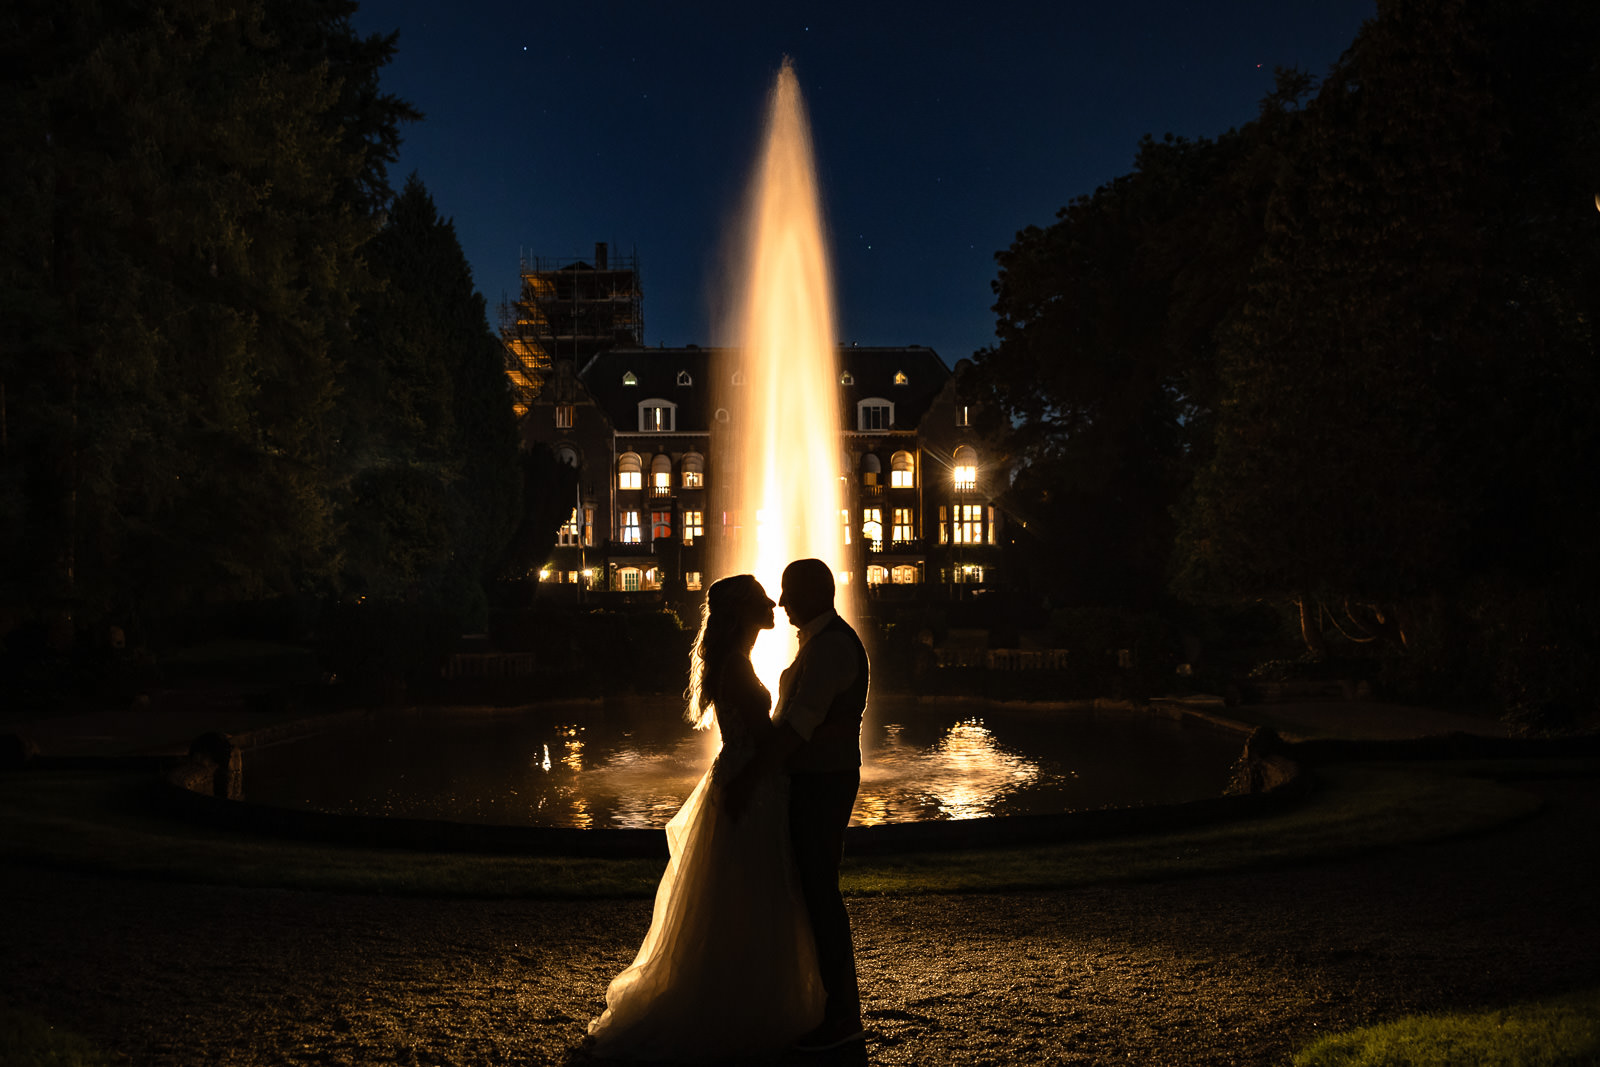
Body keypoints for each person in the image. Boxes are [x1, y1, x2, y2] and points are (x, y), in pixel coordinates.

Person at [585, 575, 825, 1060]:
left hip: (743, 779)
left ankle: (740, 998)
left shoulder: (734, 662)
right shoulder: (735, 667)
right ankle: (741, 1007)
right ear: (741, 612)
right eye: (762, 599)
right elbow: (762, 737)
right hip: (748, 786)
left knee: (739, 893)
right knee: (750, 894)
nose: (773, 603)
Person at [728, 557, 870, 1053]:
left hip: (822, 782)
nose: (782, 601)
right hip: (814, 778)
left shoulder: (830, 649)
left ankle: (842, 1013)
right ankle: (824, 1006)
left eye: (789, 591)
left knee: (819, 893)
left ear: (813, 592)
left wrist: (749, 775)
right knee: (811, 892)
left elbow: (796, 729)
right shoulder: (821, 644)